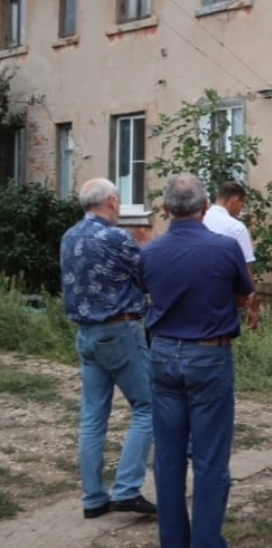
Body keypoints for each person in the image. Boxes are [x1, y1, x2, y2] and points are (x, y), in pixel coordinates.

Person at [140, 173, 255, 548]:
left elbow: (148, 294)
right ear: (206, 207)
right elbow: (243, 295)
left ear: (167, 208)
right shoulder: (225, 248)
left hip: (164, 352)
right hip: (209, 353)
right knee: (210, 457)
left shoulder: (150, 252)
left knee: (168, 455)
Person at [59, 178, 157, 520]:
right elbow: (148, 275)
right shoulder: (115, 237)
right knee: (149, 407)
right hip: (119, 330)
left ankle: (93, 498)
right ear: (113, 201)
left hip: (86, 334)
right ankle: (128, 489)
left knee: (92, 417)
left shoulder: (69, 236)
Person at [202, 181, 261, 330]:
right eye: (242, 205)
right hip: (225, 298)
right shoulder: (235, 227)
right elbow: (247, 269)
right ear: (235, 200)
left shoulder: (199, 219)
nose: (241, 210)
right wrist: (253, 308)